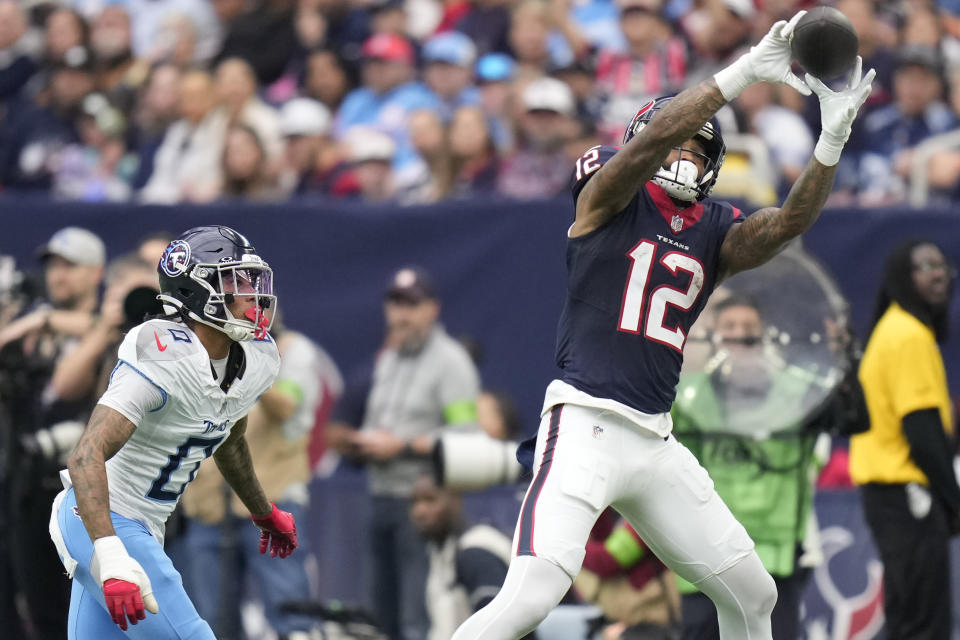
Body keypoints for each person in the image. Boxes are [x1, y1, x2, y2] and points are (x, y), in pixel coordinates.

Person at [450, 11, 875, 640]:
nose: (683, 155)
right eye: (674, 141)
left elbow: (785, 224)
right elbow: (644, 149)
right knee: (534, 592)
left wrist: (830, 142)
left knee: (754, 595)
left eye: (698, 148)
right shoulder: (608, 193)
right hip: (584, 421)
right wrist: (738, 76)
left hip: (653, 439)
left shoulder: (712, 229)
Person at [47, 226, 299, 639]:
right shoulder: (163, 351)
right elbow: (85, 455)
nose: (252, 291)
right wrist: (111, 555)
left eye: (252, 279)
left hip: (144, 524)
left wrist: (262, 511)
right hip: (101, 519)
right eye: (235, 280)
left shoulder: (256, 356)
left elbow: (230, 438)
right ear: (196, 291)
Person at [670, 295, 835, 640]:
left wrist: (838, 357)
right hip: (705, 558)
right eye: (730, 327)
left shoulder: (799, 389)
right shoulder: (687, 396)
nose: (740, 335)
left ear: (765, 335)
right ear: (713, 335)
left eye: (749, 328)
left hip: (775, 558)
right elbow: (673, 470)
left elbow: (856, 419)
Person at [334, 266, 481, 640]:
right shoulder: (388, 359)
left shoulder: (452, 361)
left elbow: (467, 435)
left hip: (424, 508)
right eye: (395, 304)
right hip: (379, 495)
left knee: (417, 618)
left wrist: (402, 445)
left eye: (411, 305)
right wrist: (363, 442)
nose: (401, 314)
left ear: (433, 308)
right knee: (377, 618)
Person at [179, 316, 340, 640]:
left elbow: (287, 406)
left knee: (291, 615)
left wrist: (248, 361)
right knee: (211, 624)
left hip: (272, 499)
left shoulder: (293, 351)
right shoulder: (196, 349)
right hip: (207, 506)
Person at [0, 226, 106, 640]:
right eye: (54, 267)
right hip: (28, 485)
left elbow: (106, 324)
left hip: (85, 492)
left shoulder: (109, 328)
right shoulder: (31, 333)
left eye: (71, 266)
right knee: (38, 613)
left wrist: (40, 320)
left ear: (96, 273)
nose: (59, 276)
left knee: (89, 613)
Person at [849, 239, 957, 639]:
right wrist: (954, 501)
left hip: (890, 497)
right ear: (901, 277)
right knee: (923, 625)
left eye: (942, 264)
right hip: (906, 495)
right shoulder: (909, 334)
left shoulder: (894, 329)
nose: (938, 272)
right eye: (925, 265)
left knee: (908, 616)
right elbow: (923, 434)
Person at [409, 474, 520, 640]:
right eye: (414, 502)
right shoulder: (441, 550)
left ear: (455, 500)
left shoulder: (476, 551)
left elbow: (497, 629)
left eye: (430, 500)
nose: (419, 511)